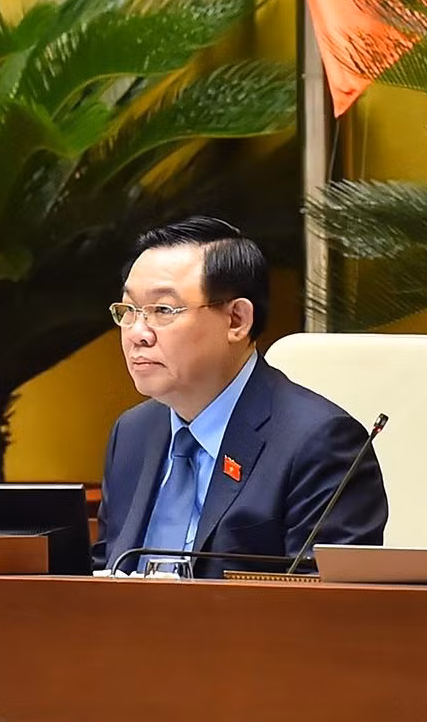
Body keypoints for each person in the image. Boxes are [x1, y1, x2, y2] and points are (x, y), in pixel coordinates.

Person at [94, 217, 387, 575]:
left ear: (237, 320)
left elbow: (325, 607)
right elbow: (101, 571)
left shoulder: (320, 442)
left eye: (162, 310)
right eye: (128, 311)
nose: (137, 333)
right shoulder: (132, 433)